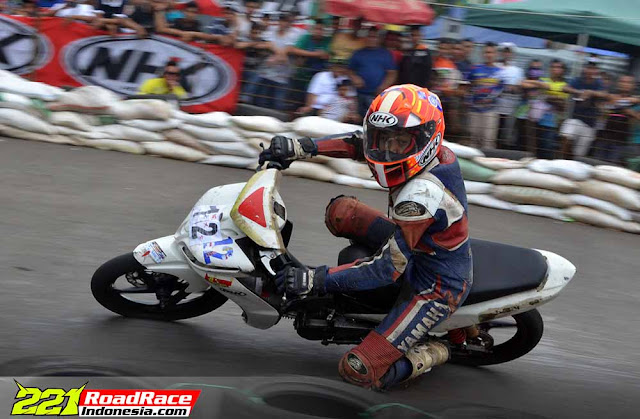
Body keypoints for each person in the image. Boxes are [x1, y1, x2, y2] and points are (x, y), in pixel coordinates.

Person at [259, 84, 472, 391]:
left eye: (400, 141)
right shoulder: (431, 153)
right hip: (419, 241)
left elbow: (387, 268)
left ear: (427, 139)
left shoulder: (421, 196)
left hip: (436, 282)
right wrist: (300, 146)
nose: (388, 149)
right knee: (342, 212)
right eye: (383, 138)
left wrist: (315, 279)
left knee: (358, 370)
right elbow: (360, 144)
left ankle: (438, 350)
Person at [557, 59, 608, 158]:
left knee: (579, 154)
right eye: (589, 68)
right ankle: (560, 159)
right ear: (584, 69)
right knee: (566, 136)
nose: (590, 71)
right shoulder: (577, 80)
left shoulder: (598, 83)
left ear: (597, 71)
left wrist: (591, 93)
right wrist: (579, 92)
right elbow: (564, 88)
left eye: (593, 68)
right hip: (575, 118)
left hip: (590, 123)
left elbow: (604, 94)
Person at [349, 27, 397, 117]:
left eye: (374, 37)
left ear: (379, 39)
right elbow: (350, 70)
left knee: (372, 118)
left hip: (376, 95)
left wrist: (383, 87)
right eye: (369, 36)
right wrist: (355, 78)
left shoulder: (385, 54)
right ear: (365, 38)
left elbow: (392, 73)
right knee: (357, 118)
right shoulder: (358, 53)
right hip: (358, 93)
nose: (371, 39)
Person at [594, 75, 639, 164]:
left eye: (628, 82)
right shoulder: (610, 97)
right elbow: (601, 112)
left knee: (612, 166)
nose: (625, 84)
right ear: (618, 83)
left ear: (633, 85)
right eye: (622, 81)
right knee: (597, 163)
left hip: (621, 141)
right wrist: (604, 109)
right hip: (603, 137)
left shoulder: (636, 102)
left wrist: (627, 110)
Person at [287, 19, 331, 109]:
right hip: (301, 75)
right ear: (312, 29)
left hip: (317, 78)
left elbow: (327, 55)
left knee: (310, 104)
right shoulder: (306, 38)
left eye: (321, 29)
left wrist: (306, 54)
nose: (318, 32)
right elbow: (293, 50)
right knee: (294, 102)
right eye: (316, 29)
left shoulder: (327, 40)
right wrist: (315, 54)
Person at [467, 42, 504, 149]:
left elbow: (501, 90)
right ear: (483, 54)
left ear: (496, 54)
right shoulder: (474, 69)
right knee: (473, 139)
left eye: (491, 52)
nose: (489, 55)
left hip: (491, 111)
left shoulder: (501, 72)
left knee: (488, 140)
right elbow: (467, 86)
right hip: (474, 110)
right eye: (486, 52)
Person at [496, 42, 524, 149]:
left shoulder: (517, 70)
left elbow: (519, 87)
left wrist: (512, 88)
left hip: (510, 106)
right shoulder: (496, 67)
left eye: (509, 52)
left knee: (507, 131)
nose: (506, 54)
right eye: (504, 52)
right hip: (496, 105)